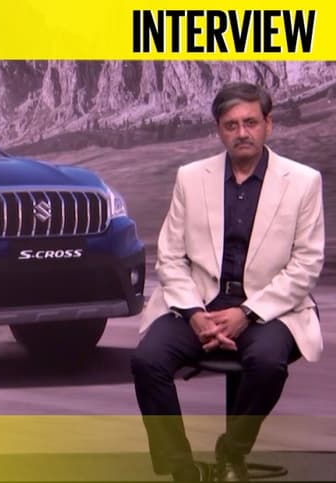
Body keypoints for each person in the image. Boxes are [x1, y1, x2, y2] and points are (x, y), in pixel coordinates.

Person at [131, 82, 324, 482]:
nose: (242, 133)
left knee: (267, 364)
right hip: (198, 303)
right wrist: (194, 314)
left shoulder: (304, 181)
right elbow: (170, 256)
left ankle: (231, 453)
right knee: (147, 360)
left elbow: (306, 265)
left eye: (251, 122)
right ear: (219, 130)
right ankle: (182, 468)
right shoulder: (190, 178)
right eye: (231, 125)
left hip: (270, 307)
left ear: (268, 124)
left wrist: (247, 313)